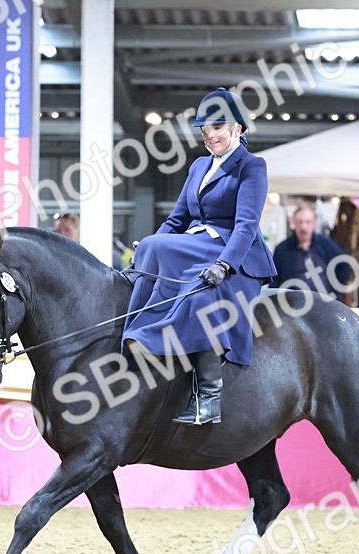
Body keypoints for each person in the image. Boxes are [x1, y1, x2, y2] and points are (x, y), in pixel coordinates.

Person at [120, 88, 277, 426]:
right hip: (196, 246)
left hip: (234, 254)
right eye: (205, 130)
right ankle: (139, 343)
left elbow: (247, 224)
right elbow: (177, 219)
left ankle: (209, 397)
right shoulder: (198, 167)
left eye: (217, 128)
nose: (209, 135)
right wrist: (146, 252)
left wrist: (224, 264)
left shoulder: (252, 166)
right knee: (149, 244)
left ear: (236, 128)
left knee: (197, 292)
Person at [272, 205, 349, 303]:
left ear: (314, 224)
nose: (303, 226)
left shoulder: (325, 244)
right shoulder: (282, 249)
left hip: (325, 304)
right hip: (294, 306)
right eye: (300, 222)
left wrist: (336, 291)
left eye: (308, 222)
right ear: (293, 223)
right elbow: (274, 280)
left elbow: (344, 263)